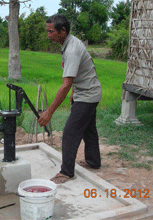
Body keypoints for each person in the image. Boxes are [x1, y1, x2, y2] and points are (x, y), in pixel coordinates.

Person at [38, 14, 102, 184]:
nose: (49, 35)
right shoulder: (68, 43)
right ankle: (93, 161)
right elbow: (77, 75)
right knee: (89, 130)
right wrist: (75, 92)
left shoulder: (72, 50)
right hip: (87, 92)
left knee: (70, 132)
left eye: (51, 32)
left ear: (63, 31)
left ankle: (66, 172)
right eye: (48, 31)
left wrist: (49, 112)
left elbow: (66, 84)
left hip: (88, 95)